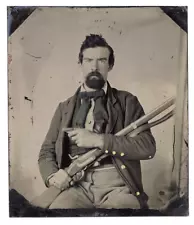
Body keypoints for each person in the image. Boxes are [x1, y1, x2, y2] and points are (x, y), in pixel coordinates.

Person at [38, 34, 156, 209]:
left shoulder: (128, 101)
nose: (94, 66)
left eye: (101, 60)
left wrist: (99, 140)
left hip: (118, 187)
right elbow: (46, 152)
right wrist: (53, 177)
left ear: (110, 65)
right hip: (75, 186)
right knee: (56, 212)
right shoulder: (64, 107)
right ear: (80, 64)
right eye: (88, 60)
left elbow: (147, 147)